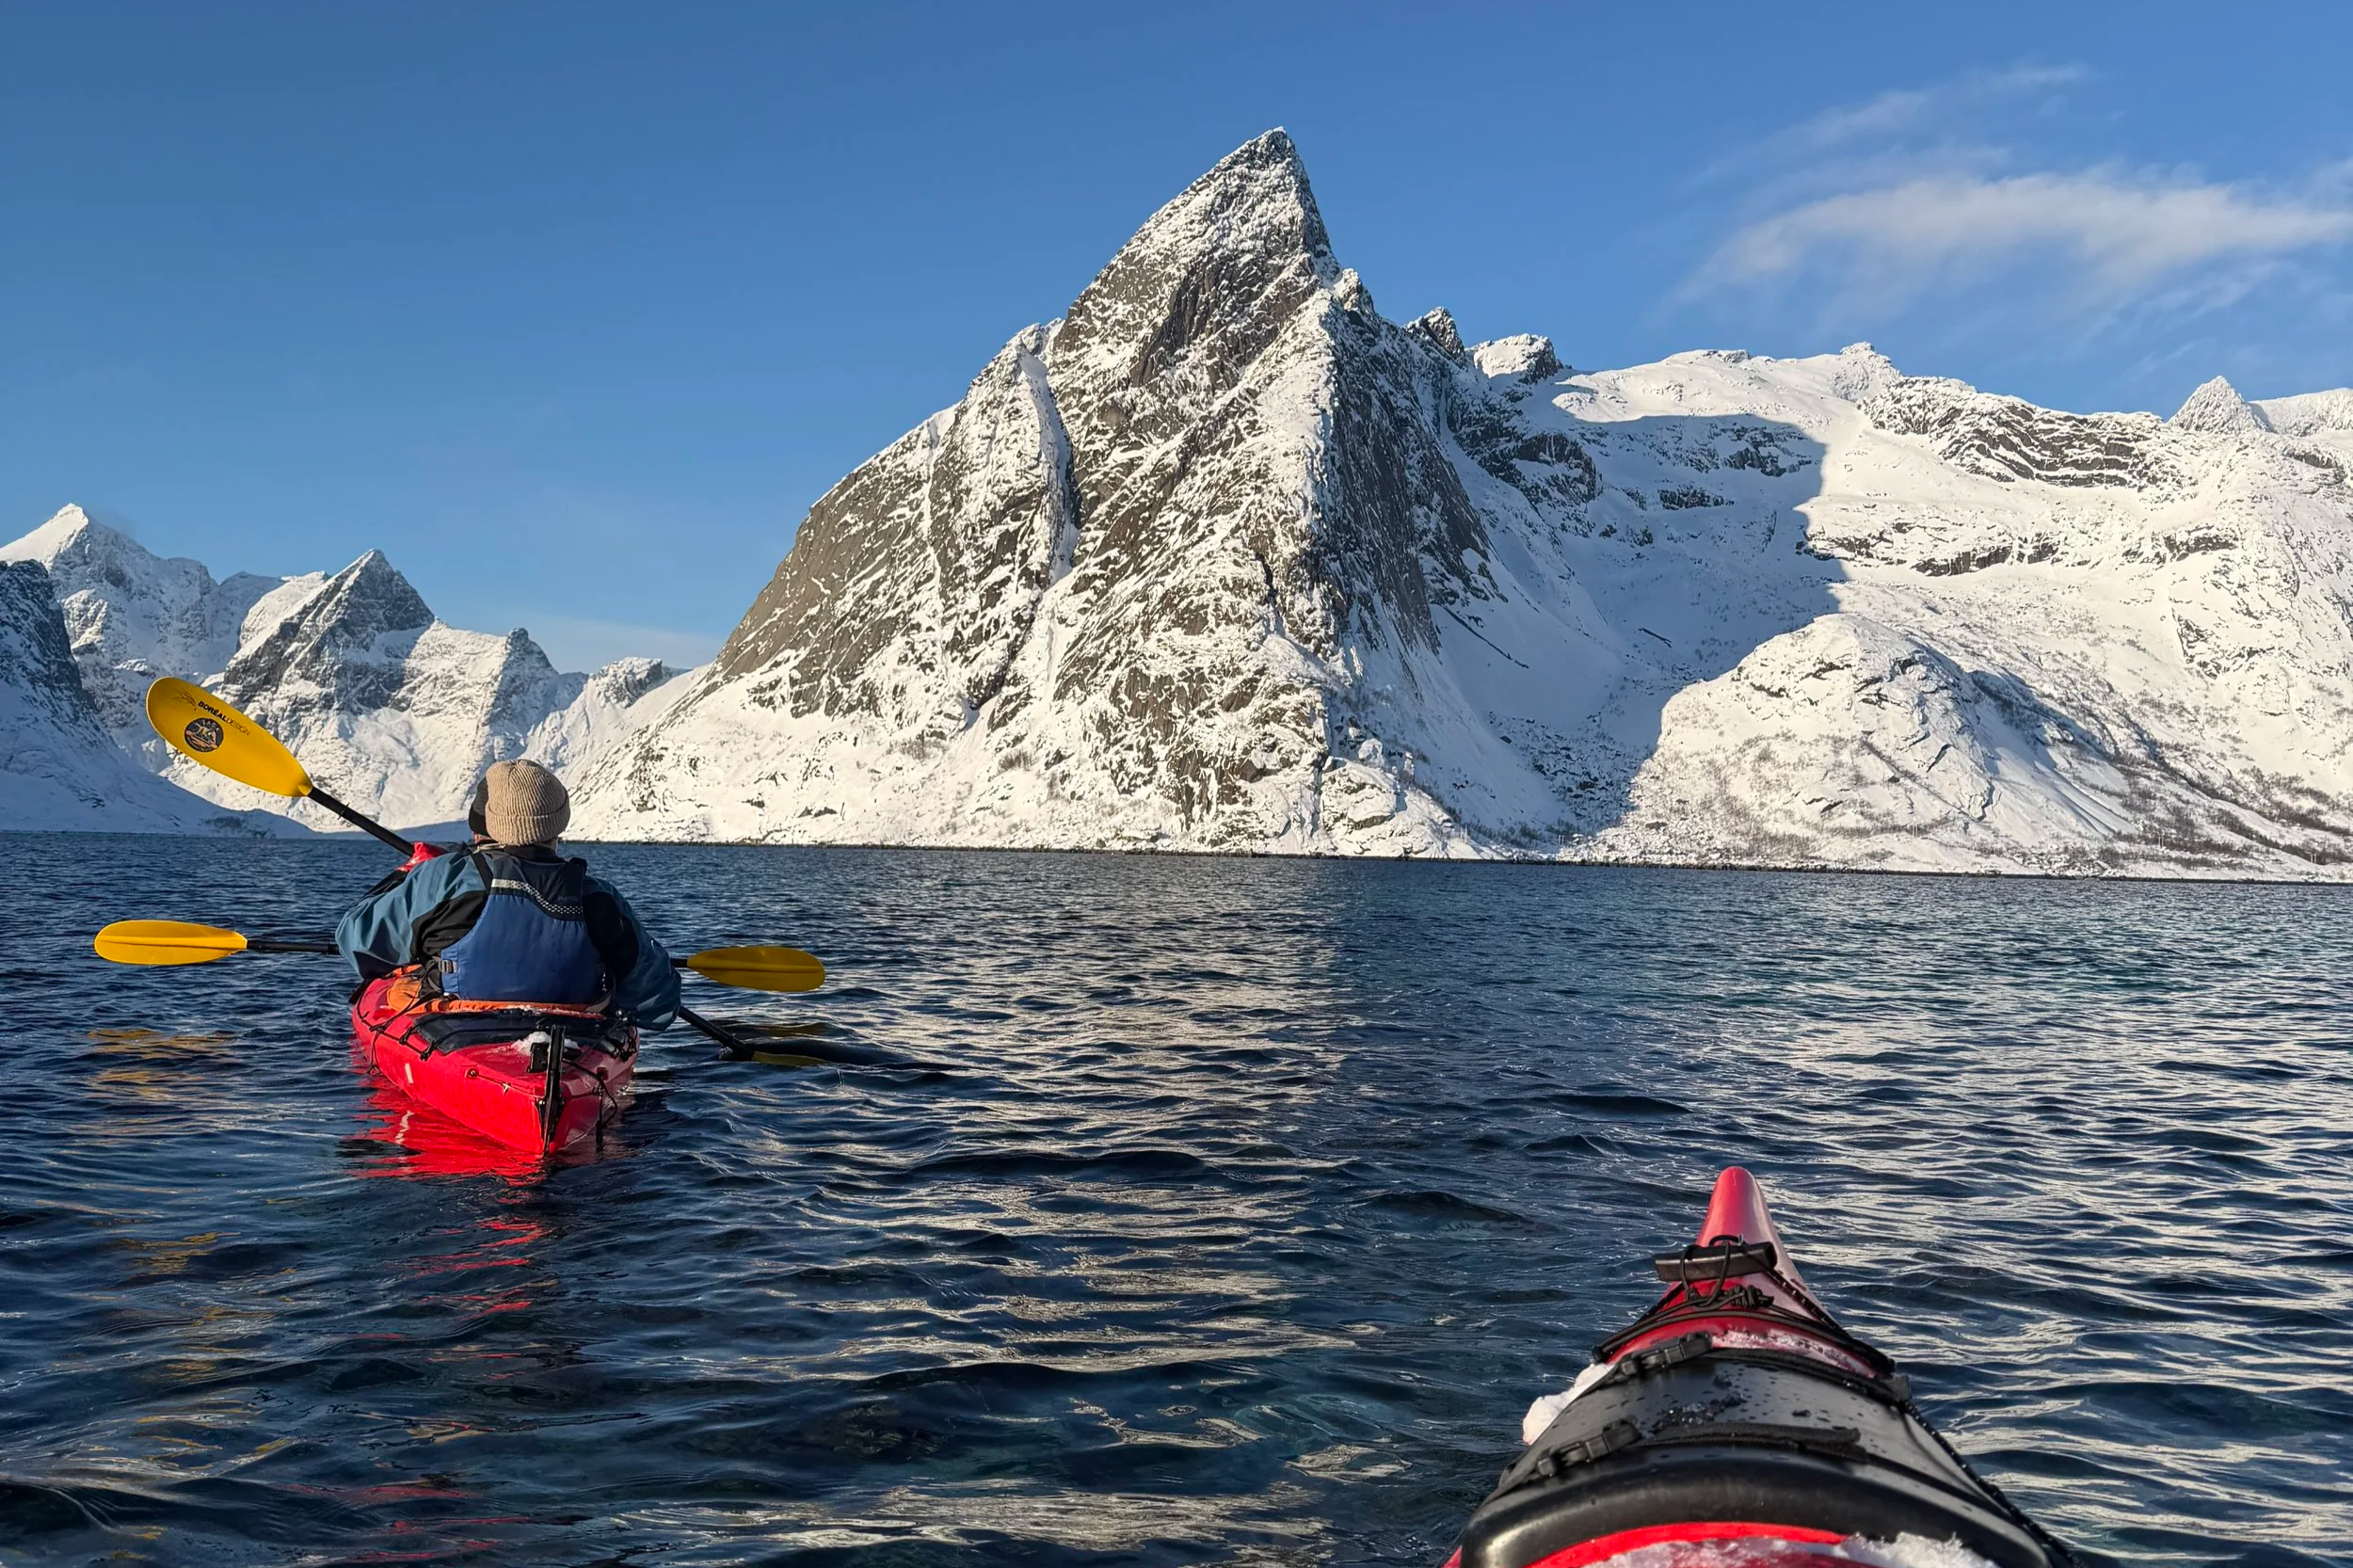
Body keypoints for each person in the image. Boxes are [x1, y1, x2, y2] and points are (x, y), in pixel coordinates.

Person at [335, 760, 680, 1029]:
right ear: (557, 826)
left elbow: (357, 942)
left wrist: (405, 876)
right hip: (572, 1041)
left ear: (487, 824)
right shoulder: (599, 899)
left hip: (453, 1033)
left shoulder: (444, 879)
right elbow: (657, 1003)